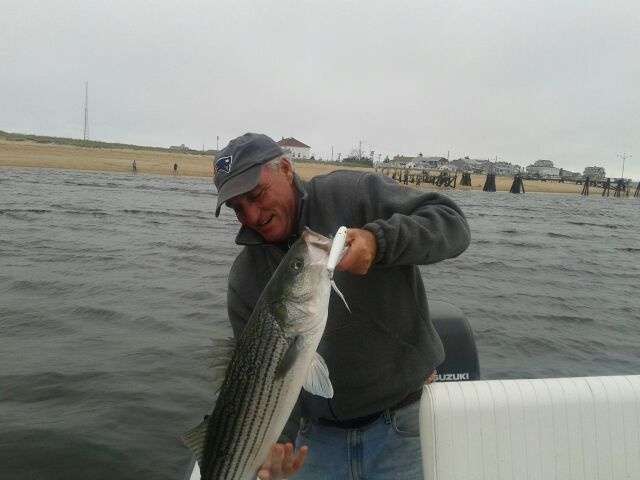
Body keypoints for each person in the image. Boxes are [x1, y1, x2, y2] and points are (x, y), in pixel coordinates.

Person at [214, 133, 470, 479]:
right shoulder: (245, 278)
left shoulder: (352, 193)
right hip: (316, 441)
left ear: (286, 169)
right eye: (236, 207)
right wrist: (277, 447)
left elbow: (452, 224)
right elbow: (265, 381)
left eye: (256, 195)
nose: (251, 215)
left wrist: (379, 242)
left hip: (403, 425)